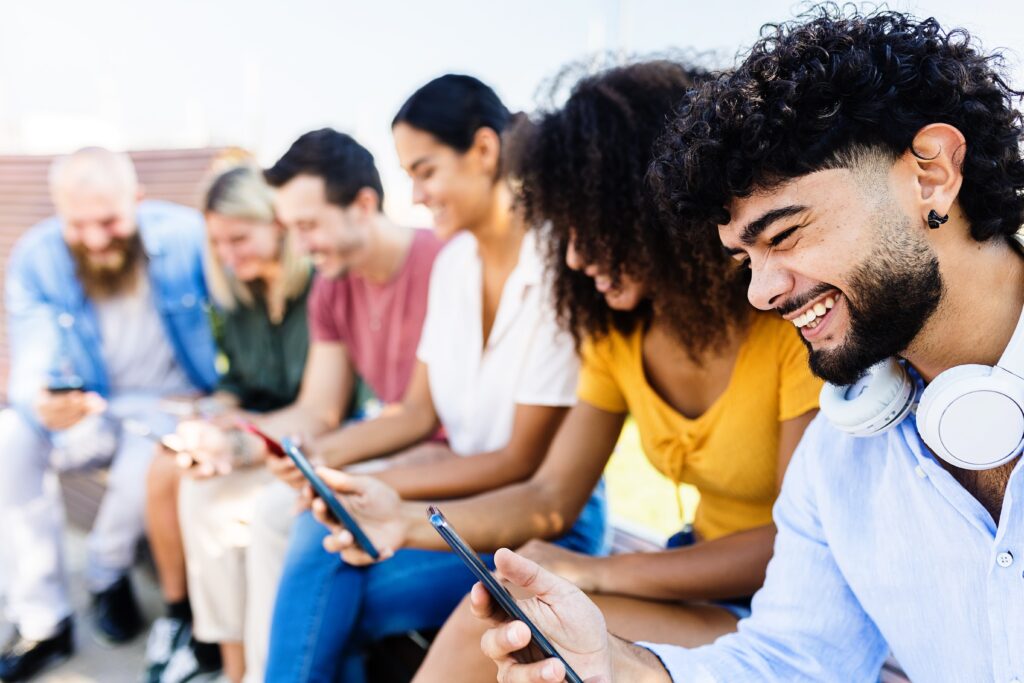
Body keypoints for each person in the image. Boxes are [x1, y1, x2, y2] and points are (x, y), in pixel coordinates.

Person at [471, 7, 1024, 682]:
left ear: (931, 175)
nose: (761, 293)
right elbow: (793, 659)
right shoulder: (840, 453)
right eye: (744, 257)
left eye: (785, 235)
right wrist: (618, 664)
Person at [315, 61, 820, 683]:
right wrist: (401, 518)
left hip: (775, 611)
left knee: (521, 625)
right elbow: (550, 499)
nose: (576, 256)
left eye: (594, 228)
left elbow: (790, 544)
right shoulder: (618, 337)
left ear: (661, 208)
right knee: (499, 623)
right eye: (568, 232)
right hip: (684, 581)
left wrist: (592, 571)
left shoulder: (785, 328)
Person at [264, 74, 607, 683]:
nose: (416, 196)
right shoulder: (452, 266)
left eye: (425, 171)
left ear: (482, 150)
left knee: (326, 594)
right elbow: (417, 414)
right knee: (323, 574)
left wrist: (382, 490)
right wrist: (321, 456)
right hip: (458, 506)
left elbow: (522, 463)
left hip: (531, 525)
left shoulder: (562, 267)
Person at [171, 128, 442, 683]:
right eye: (292, 227)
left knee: (279, 511)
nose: (300, 242)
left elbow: (420, 418)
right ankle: (240, 667)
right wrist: (241, 442)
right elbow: (317, 408)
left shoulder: (439, 265)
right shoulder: (332, 285)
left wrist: (308, 456)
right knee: (220, 493)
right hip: (376, 446)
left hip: (430, 456)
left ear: (364, 205)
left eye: (307, 225)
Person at [0, 148, 218, 681]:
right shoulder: (38, 257)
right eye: (79, 225)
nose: (97, 240)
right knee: (10, 438)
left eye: (109, 221)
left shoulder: (188, 238)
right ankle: (42, 619)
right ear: (58, 213)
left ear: (138, 201)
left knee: (147, 460)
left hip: (173, 403)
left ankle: (106, 575)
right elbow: (31, 356)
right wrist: (42, 401)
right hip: (92, 407)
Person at [141, 163, 312, 683]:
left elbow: (326, 408)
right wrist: (212, 413)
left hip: (311, 441)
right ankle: (219, 655)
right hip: (260, 431)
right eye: (219, 243)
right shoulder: (240, 299)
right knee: (182, 473)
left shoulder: (319, 289)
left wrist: (234, 431)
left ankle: (234, 662)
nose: (229, 255)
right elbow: (239, 382)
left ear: (277, 223)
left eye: (239, 237)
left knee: (211, 500)